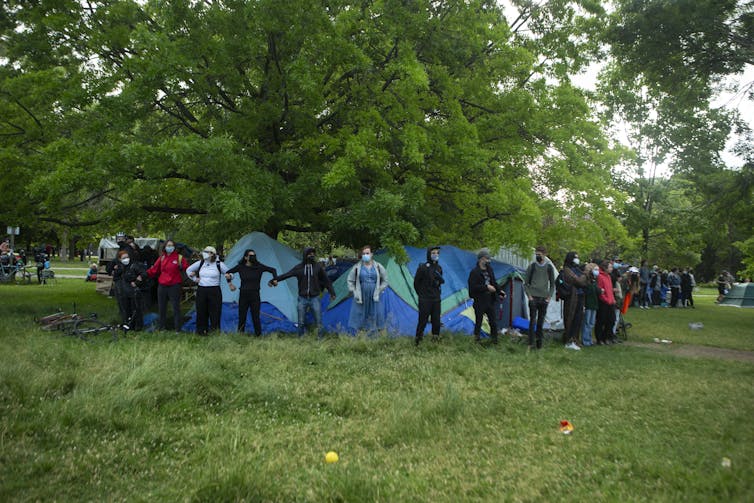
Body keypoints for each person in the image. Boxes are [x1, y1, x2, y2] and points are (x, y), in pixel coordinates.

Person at [273, 247, 335, 337]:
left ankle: (320, 339)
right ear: (305, 255)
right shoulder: (299, 267)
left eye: (313, 254)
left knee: (318, 320)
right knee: (301, 322)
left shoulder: (318, 267)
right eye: (309, 254)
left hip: (315, 298)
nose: (312, 255)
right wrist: (275, 280)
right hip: (302, 298)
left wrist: (332, 292)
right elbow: (287, 274)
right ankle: (300, 338)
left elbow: (326, 280)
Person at [225, 249, 278, 336]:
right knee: (242, 316)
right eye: (251, 255)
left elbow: (273, 270)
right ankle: (240, 335)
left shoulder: (259, 267)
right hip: (243, 294)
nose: (253, 257)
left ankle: (258, 335)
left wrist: (274, 279)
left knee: (255, 316)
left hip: (255, 295)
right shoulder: (240, 267)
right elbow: (227, 273)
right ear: (246, 257)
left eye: (254, 255)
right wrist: (230, 284)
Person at [186, 246, 230, 335]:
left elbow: (230, 272)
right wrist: (194, 279)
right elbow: (188, 270)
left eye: (207, 252)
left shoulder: (219, 264)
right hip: (202, 290)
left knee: (215, 312)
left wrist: (229, 277)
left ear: (212, 254)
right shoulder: (201, 263)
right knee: (201, 311)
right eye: (204, 251)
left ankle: (215, 331)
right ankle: (201, 331)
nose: (205, 253)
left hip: (214, 290)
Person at [147, 240, 188, 331]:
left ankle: (178, 329)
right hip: (162, 286)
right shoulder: (162, 258)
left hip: (174, 285)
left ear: (174, 247)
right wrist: (143, 275)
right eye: (168, 245)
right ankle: (162, 328)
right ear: (165, 247)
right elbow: (154, 270)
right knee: (162, 308)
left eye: (172, 245)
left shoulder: (179, 258)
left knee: (176, 308)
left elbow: (188, 268)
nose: (170, 247)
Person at [346, 245, 389, 334]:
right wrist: (354, 291)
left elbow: (385, 280)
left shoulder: (378, 266)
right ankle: (360, 334)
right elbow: (350, 280)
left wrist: (380, 289)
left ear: (371, 254)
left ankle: (374, 335)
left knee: (375, 313)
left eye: (367, 253)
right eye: (364, 253)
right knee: (359, 313)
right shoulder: (357, 267)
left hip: (374, 295)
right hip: (361, 295)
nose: (365, 255)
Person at [468, 248, 506, 344]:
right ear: (481, 259)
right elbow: (473, 288)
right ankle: (476, 341)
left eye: (489, 259)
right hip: (479, 300)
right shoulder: (474, 272)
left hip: (490, 299)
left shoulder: (490, 270)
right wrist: (486, 287)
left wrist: (499, 291)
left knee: (493, 321)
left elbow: (494, 282)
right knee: (479, 321)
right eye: (487, 259)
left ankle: (494, 341)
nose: (488, 261)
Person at [524, 246, 554, 350]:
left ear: (544, 255)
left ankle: (539, 344)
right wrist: (530, 296)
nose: (537, 256)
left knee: (541, 322)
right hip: (533, 298)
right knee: (532, 321)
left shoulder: (549, 268)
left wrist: (549, 297)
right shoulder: (532, 267)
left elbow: (552, 284)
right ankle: (530, 343)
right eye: (536, 254)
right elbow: (525, 283)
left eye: (539, 255)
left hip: (544, 299)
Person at [414, 246, 444, 345]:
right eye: (433, 253)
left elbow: (439, 283)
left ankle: (435, 339)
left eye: (437, 253)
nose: (436, 255)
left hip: (436, 299)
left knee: (436, 320)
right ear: (429, 254)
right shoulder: (423, 267)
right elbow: (416, 283)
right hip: (425, 299)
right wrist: (421, 294)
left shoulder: (439, 268)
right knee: (423, 320)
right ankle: (418, 339)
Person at [113, 249, 146, 330]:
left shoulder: (134, 265)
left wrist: (137, 282)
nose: (126, 259)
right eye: (124, 258)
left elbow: (144, 274)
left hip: (133, 292)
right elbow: (115, 277)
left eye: (127, 257)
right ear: (120, 259)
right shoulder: (119, 267)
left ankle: (138, 326)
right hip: (123, 292)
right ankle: (128, 325)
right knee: (125, 310)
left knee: (136, 309)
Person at [561, 251, 587, 350]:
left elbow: (584, 282)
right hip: (572, 297)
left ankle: (575, 339)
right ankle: (568, 339)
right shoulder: (567, 270)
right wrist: (585, 276)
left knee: (578, 319)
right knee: (570, 318)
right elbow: (579, 281)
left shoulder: (577, 269)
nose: (577, 259)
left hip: (580, 296)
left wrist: (583, 278)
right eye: (575, 257)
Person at [595, 260, 616, 345]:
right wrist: (605, 299)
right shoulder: (600, 276)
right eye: (610, 267)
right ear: (605, 267)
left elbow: (610, 289)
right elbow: (601, 290)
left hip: (610, 301)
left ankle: (607, 337)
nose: (611, 269)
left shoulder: (609, 277)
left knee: (611, 320)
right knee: (601, 320)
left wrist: (612, 299)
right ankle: (599, 339)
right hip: (603, 302)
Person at [581, 263, 600, 347]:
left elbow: (597, 291)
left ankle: (589, 339)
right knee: (587, 323)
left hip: (594, 304)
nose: (597, 271)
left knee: (591, 323)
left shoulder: (594, 280)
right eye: (595, 269)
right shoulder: (586, 279)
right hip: (588, 304)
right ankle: (585, 340)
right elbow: (587, 291)